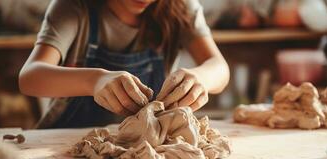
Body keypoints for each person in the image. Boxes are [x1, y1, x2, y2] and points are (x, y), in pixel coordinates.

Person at [18, 0, 230, 129]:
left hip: (146, 142)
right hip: (68, 142)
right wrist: (95, 80)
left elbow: (219, 66)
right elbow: (30, 77)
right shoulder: (75, 7)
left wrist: (202, 78)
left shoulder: (180, 6)